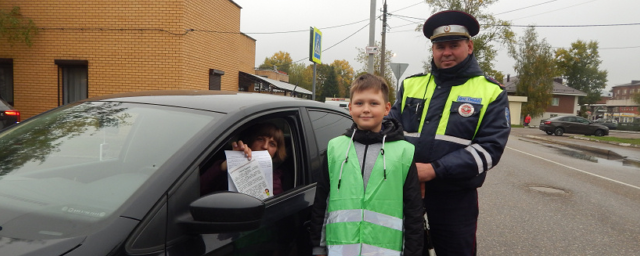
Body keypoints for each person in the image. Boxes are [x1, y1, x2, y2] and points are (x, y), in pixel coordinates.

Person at [387, 10, 511, 256]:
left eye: (454, 45)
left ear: (470, 46)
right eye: (440, 46)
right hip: (406, 189)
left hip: (456, 198)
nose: (446, 52)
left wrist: (432, 170)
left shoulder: (491, 92)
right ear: (433, 49)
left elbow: (489, 150)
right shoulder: (411, 84)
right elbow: (390, 128)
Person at [310, 74, 424, 256]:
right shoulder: (335, 148)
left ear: (387, 108)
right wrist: (318, 246)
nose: (366, 109)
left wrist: (413, 251)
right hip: (340, 249)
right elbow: (321, 201)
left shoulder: (404, 151)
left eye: (373, 103)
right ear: (350, 108)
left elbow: (413, 209)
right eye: (359, 103)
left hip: (386, 251)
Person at [200, 122, 287, 196]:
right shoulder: (223, 167)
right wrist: (230, 162)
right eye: (260, 139)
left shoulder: (274, 179)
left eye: (272, 144)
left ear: (276, 151)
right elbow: (199, 190)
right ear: (250, 141)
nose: (265, 146)